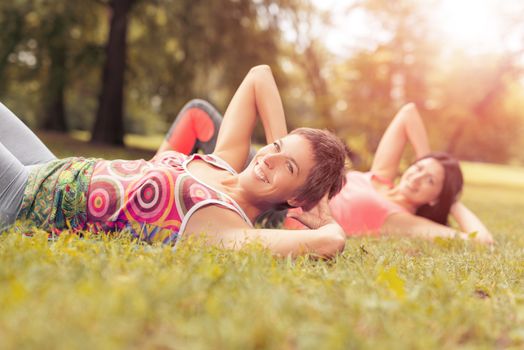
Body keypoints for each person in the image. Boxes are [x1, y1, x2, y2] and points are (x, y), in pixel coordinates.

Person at [0, 65, 349, 258]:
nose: (269, 160)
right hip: (48, 166)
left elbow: (330, 241)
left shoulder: (224, 225)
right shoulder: (224, 162)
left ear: (297, 198)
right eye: (274, 146)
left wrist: (319, 209)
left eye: (289, 167)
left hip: (23, 200)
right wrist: (283, 148)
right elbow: (259, 76)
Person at [163, 100, 493, 244]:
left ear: (436, 196)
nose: (418, 175)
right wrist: (432, 161)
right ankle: (156, 169)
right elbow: (407, 114)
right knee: (199, 112)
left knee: (203, 119)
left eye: (430, 181)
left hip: (282, 206)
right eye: (419, 168)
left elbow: (480, 242)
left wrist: (452, 201)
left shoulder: (402, 218)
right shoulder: (381, 176)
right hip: (279, 171)